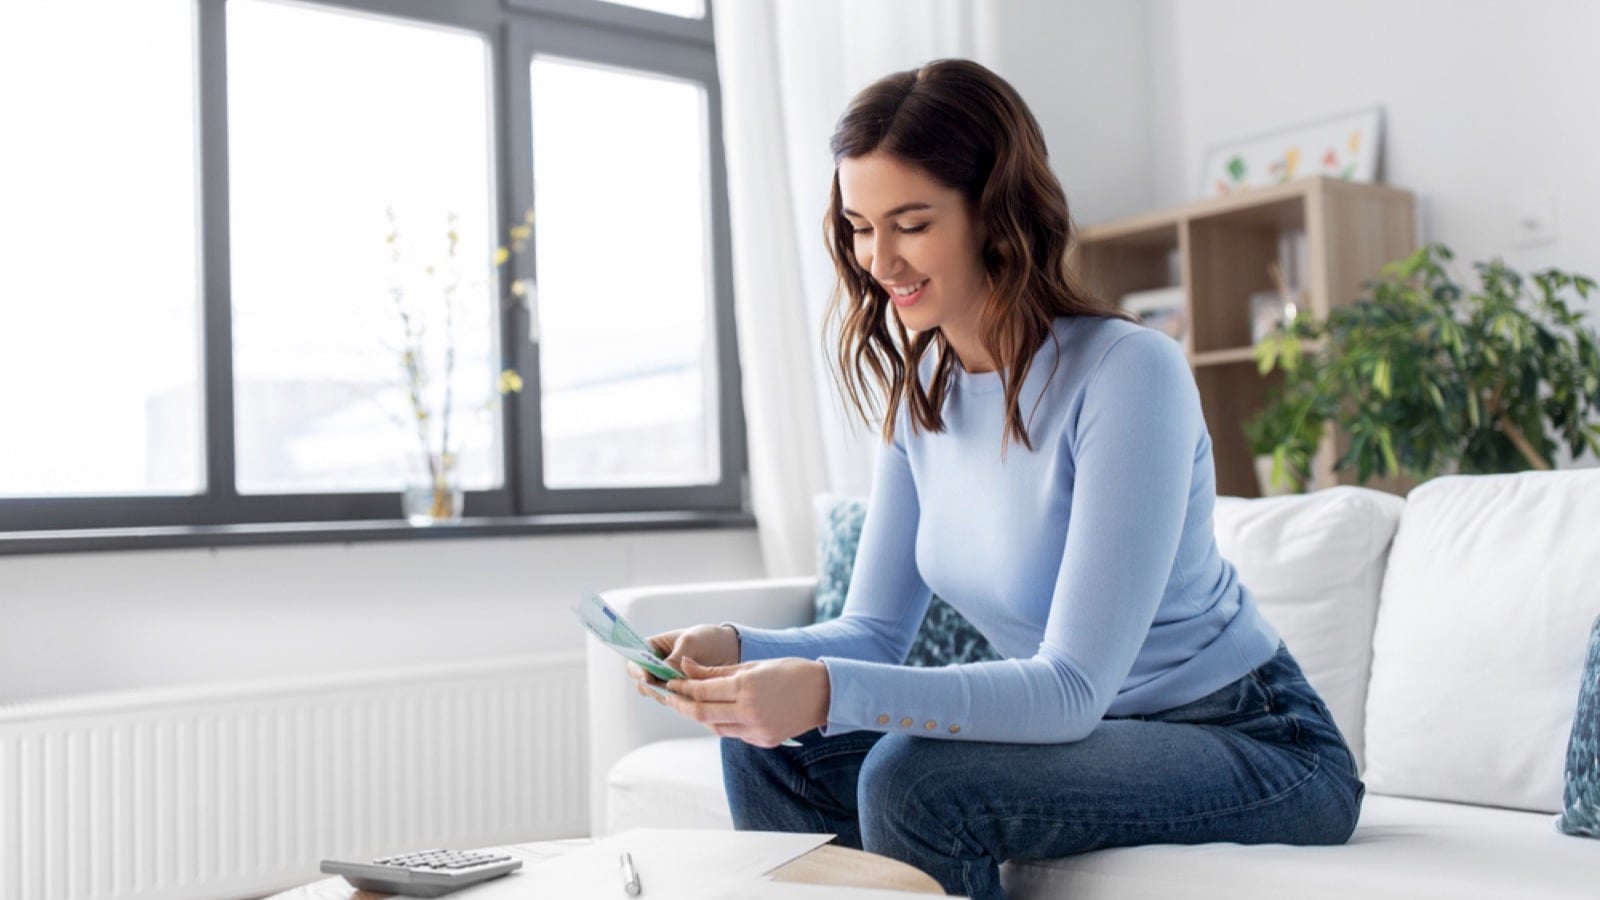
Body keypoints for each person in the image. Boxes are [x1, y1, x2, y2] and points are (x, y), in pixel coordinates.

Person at [625, 58, 1363, 900]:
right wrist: (736, 651)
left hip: (1254, 740)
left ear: (995, 214)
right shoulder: (923, 396)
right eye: (861, 228)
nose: (881, 260)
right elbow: (871, 633)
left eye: (910, 223)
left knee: (917, 779)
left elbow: (1072, 690)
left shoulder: (1128, 374)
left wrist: (827, 690)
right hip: (1094, 740)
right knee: (771, 744)